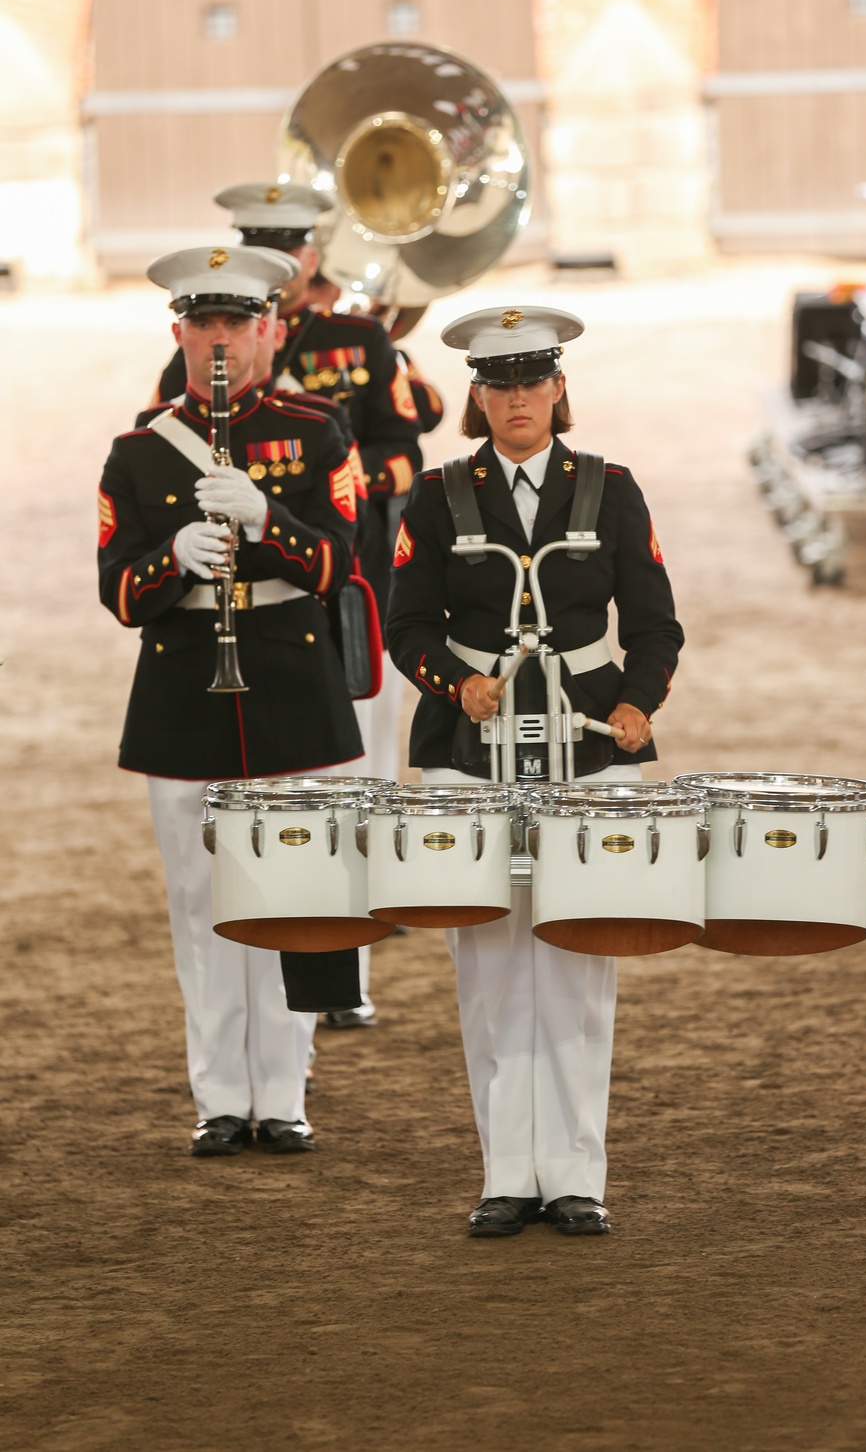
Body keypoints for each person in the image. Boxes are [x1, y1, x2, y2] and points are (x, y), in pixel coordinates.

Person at [385, 306, 684, 1237]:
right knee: (489, 966)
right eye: (499, 384)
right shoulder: (436, 498)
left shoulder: (611, 488)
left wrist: (640, 703)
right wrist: (457, 682)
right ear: (477, 397)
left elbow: (656, 622)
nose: (518, 399)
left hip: (588, 748)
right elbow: (406, 625)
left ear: (559, 388)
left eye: (533, 382)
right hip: (471, 754)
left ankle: (576, 1176)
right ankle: (507, 1174)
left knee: (582, 962)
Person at [98, 245, 363, 1156]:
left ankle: (283, 1093)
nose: (219, 340)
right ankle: (219, 1096)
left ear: (268, 330)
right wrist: (168, 560)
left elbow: (338, 564)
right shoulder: (137, 449)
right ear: (177, 331)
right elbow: (118, 592)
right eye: (202, 323)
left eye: (236, 324)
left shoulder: (318, 428)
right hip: (183, 698)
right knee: (200, 905)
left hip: (292, 688)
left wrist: (265, 519)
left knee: (295, 897)